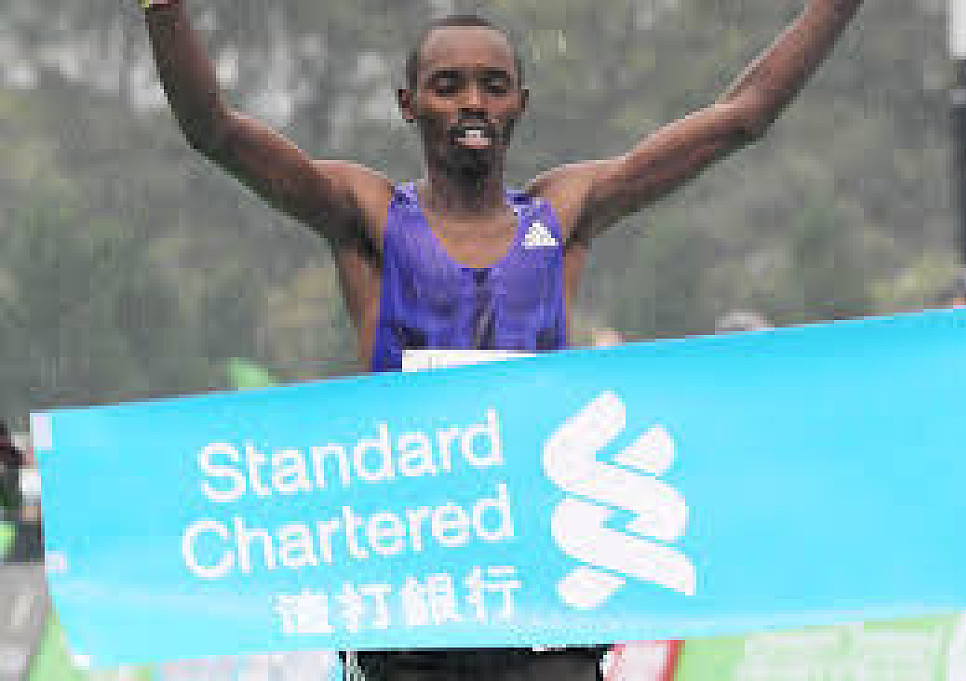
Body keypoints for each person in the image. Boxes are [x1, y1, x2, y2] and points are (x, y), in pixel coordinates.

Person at [140, 0, 864, 678]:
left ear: (520, 102)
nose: (472, 103)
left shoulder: (563, 211)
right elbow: (214, 131)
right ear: (407, 104)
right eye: (447, 86)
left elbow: (742, 116)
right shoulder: (370, 215)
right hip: (413, 609)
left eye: (493, 86)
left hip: (540, 609)